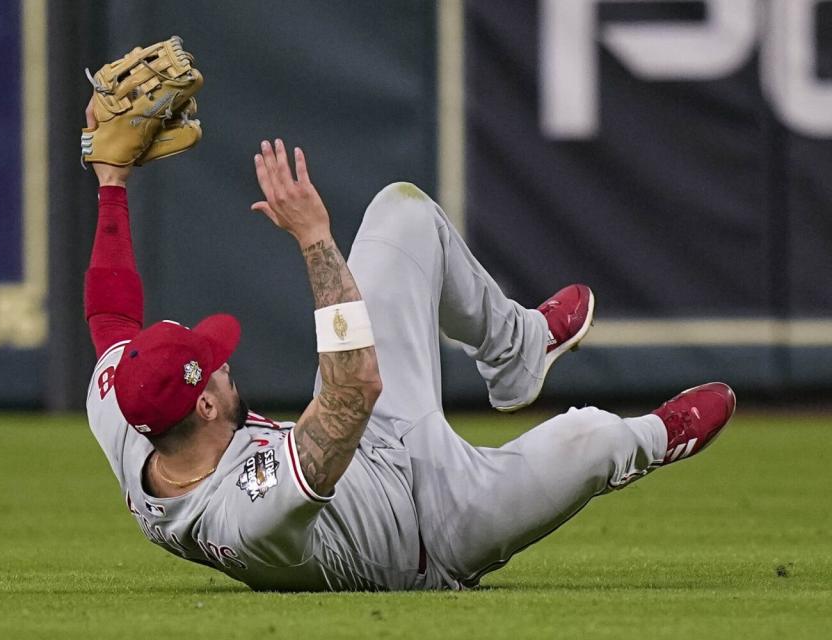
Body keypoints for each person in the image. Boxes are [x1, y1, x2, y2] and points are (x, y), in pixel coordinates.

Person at [83, 105, 736, 591]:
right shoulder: (247, 512)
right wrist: (314, 239)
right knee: (592, 438)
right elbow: (353, 390)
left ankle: (518, 350)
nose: (224, 363)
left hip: (373, 439)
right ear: (201, 411)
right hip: (434, 529)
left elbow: (111, 316)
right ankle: (657, 438)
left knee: (403, 212)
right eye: (214, 370)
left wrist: (111, 180)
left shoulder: (127, 417)